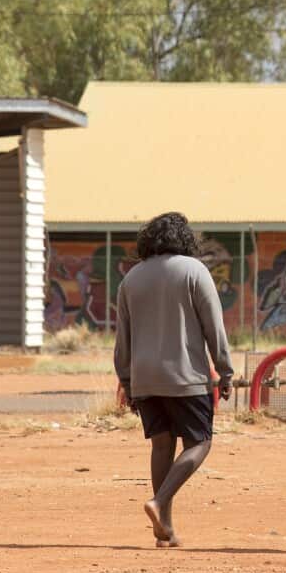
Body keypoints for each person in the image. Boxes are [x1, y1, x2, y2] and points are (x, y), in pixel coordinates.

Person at [114, 212, 233, 548]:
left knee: (161, 445)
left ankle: (163, 529)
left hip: (145, 378)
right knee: (199, 443)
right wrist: (224, 371)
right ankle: (158, 502)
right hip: (186, 377)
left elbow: (122, 337)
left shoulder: (131, 279)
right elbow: (214, 326)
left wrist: (126, 380)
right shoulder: (194, 270)